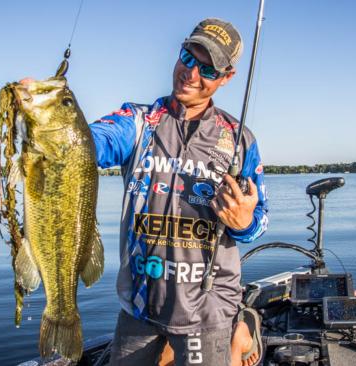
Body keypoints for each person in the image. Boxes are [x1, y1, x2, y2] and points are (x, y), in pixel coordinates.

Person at [87, 18, 269, 365]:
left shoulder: (239, 139)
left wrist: (244, 221)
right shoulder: (139, 121)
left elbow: (260, 219)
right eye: (187, 58)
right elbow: (95, 141)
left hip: (207, 308)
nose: (191, 73)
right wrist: (52, 119)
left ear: (227, 77)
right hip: (141, 303)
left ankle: (242, 326)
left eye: (207, 69)